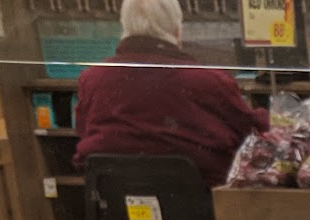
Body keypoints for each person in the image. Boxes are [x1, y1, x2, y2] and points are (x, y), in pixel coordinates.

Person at [73, 0, 268, 188]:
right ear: (177, 31)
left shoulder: (92, 79)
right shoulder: (210, 82)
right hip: (200, 205)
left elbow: (83, 131)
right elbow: (249, 131)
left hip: (114, 203)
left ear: (124, 27)